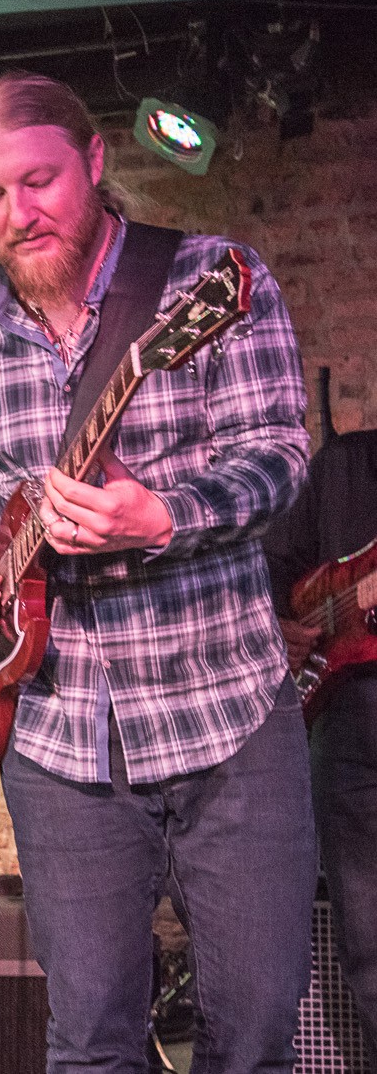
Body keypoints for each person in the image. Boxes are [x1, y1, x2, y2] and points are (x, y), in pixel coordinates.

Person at [0, 70, 315, 1073]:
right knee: (90, 1036)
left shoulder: (212, 280)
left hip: (227, 702)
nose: (19, 213)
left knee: (259, 1026)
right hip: (57, 730)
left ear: (94, 163)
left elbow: (278, 453)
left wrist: (165, 515)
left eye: (41, 181)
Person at [264, 427, 377, 1043]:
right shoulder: (344, 465)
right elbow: (272, 564)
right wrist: (280, 621)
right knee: (367, 944)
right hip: (348, 723)